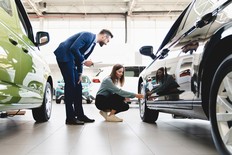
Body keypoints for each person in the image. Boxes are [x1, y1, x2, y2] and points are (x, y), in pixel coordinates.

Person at [54, 29, 113, 125]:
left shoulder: (92, 44)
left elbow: (81, 57)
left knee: (78, 86)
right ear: (104, 36)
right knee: (70, 86)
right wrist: (84, 62)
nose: (107, 43)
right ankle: (70, 118)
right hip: (64, 55)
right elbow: (74, 48)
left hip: (71, 59)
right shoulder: (88, 35)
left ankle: (80, 115)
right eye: (108, 41)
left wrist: (80, 73)